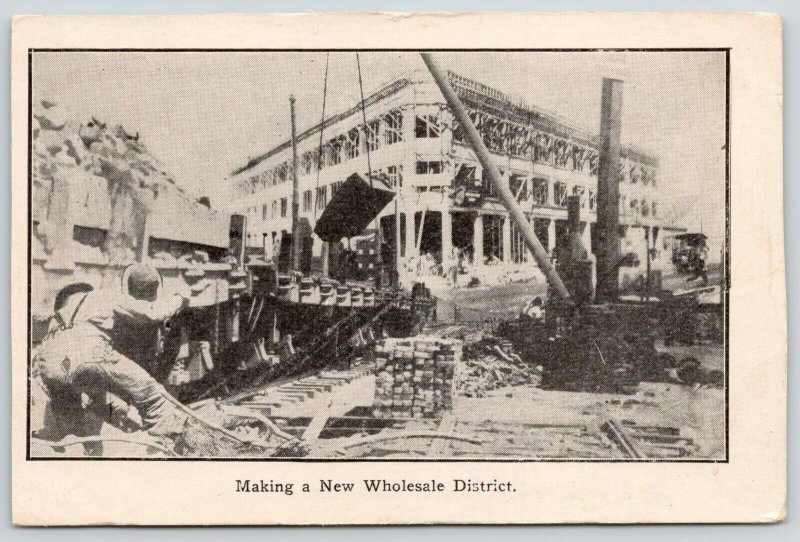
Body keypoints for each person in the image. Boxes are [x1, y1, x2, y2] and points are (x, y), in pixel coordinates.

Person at [32, 263, 208, 454]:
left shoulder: (75, 305)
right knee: (149, 391)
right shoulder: (110, 297)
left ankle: (65, 446)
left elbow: (85, 374)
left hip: (50, 362)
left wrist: (118, 408)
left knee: (72, 416)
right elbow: (153, 313)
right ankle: (165, 445)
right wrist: (180, 297)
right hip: (87, 351)